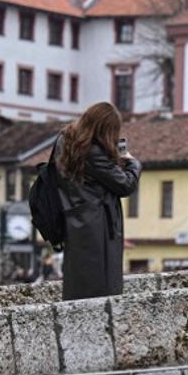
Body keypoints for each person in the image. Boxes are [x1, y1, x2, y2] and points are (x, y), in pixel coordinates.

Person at [55, 102, 141, 300]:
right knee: (102, 291)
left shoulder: (65, 142)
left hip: (76, 223)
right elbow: (125, 185)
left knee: (79, 289)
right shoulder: (93, 153)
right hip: (99, 227)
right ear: (103, 129)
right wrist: (132, 163)